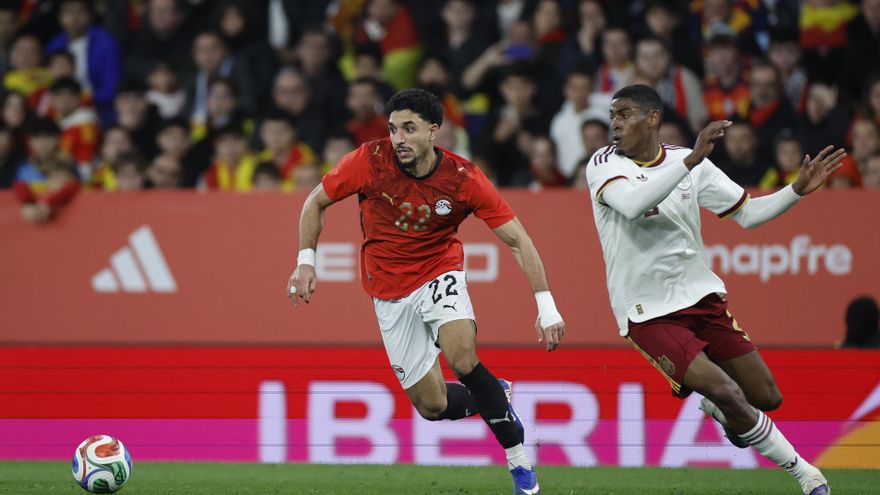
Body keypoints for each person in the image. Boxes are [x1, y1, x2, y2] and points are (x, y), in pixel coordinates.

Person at [287, 88, 564, 495]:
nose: (398, 138)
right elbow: (315, 202)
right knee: (433, 407)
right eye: (393, 129)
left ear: (434, 131)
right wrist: (305, 261)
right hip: (388, 292)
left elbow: (519, 241)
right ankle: (494, 393)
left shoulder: (463, 178)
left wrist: (547, 306)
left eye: (409, 129)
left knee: (462, 357)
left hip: (439, 273)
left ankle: (519, 462)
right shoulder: (369, 160)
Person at [586, 85, 844, 495]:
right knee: (727, 390)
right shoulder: (604, 164)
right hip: (646, 311)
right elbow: (633, 205)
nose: (614, 123)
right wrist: (691, 159)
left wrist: (794, 191)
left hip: (700, 297)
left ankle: (723, 413)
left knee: (766, 396)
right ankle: (807, 475)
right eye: (613, 115)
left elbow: (748, 214)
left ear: (652, 118)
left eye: (625, 113)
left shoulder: (690, 164)